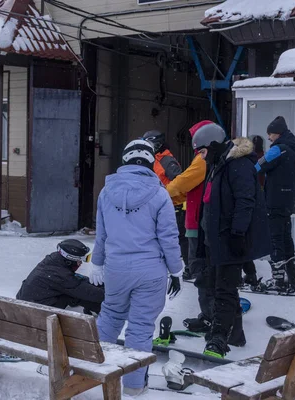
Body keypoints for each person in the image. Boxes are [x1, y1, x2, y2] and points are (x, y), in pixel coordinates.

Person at [91, 139, 183, 396]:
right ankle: (133, 386)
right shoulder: (159, 193)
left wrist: (97, 263)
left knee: (109, 318)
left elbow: (102, 235)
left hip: (116, 269)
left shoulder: (106, 193)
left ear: (125, 160)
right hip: (150, 272)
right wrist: (176, 270)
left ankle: (94, 374)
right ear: (150, 162)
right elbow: (168, 238)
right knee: (141, 328)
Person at [191, 123, 271, 358]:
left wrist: (237, 234)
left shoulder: (238, 165)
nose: (202, 158)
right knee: (220, 287)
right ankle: (235, 335)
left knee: (224, 290)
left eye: (203, 152)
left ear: (214, 145)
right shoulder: (219, 164)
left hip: (229, 239)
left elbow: (245, 201)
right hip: (215, 239)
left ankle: (218, 338)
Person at [256, 116, 295, 290]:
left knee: (275, 239)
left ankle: (278, 280)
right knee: (286, 238)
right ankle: (293, 277)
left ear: (278, 133)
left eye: (270, 134)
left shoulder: (277, 150)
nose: (269, 138)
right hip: (288, 202)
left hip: (274, 201)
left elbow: (258, 167)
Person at [166, 122, 208, 281]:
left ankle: (196, 272)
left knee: (193, 245)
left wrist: (164, 193)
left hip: (196, 211)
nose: (193, 142)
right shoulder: (203, 156)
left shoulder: (202, 159)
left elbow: (185, 181)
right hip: (193, 207)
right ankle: (194, 270)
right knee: (190, 243)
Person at [16, 239, 103, 315]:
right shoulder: (60, 275)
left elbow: (74, 281)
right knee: (76, 296)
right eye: (79, 260)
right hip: (37, 311)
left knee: (77, 290)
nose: (81, 263)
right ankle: (104, 311)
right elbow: (85, 291)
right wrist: (111, 295)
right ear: (69, 260)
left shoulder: (53, 261)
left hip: (27, 302)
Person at [142, 130, 188, 263]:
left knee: (176, 237)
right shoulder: (153, 159)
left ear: (157, 144)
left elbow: (179, 182)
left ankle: (188, 267)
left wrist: (166, 192)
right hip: (156, 204)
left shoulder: (167, 160)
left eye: (149, 143)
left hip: (172, 205)